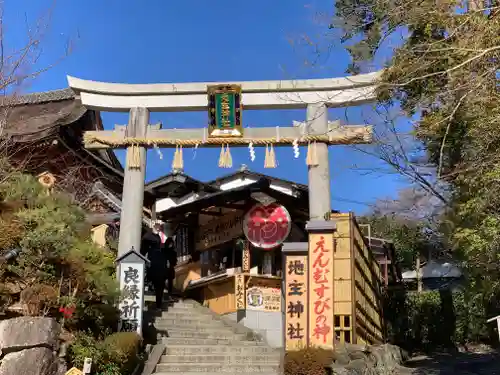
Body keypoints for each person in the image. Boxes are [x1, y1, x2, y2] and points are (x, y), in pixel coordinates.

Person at [141, 222, 169, 309]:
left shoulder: (157, 237)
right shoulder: (148, 237)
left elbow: (143, 251)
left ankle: (158, 304)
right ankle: (157, 303)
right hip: (153, 263)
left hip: (157, 264)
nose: (159, 229)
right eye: (158, 227)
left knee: (158, 284)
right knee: (156, 283)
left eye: (160, 227)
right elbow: (143, 250)